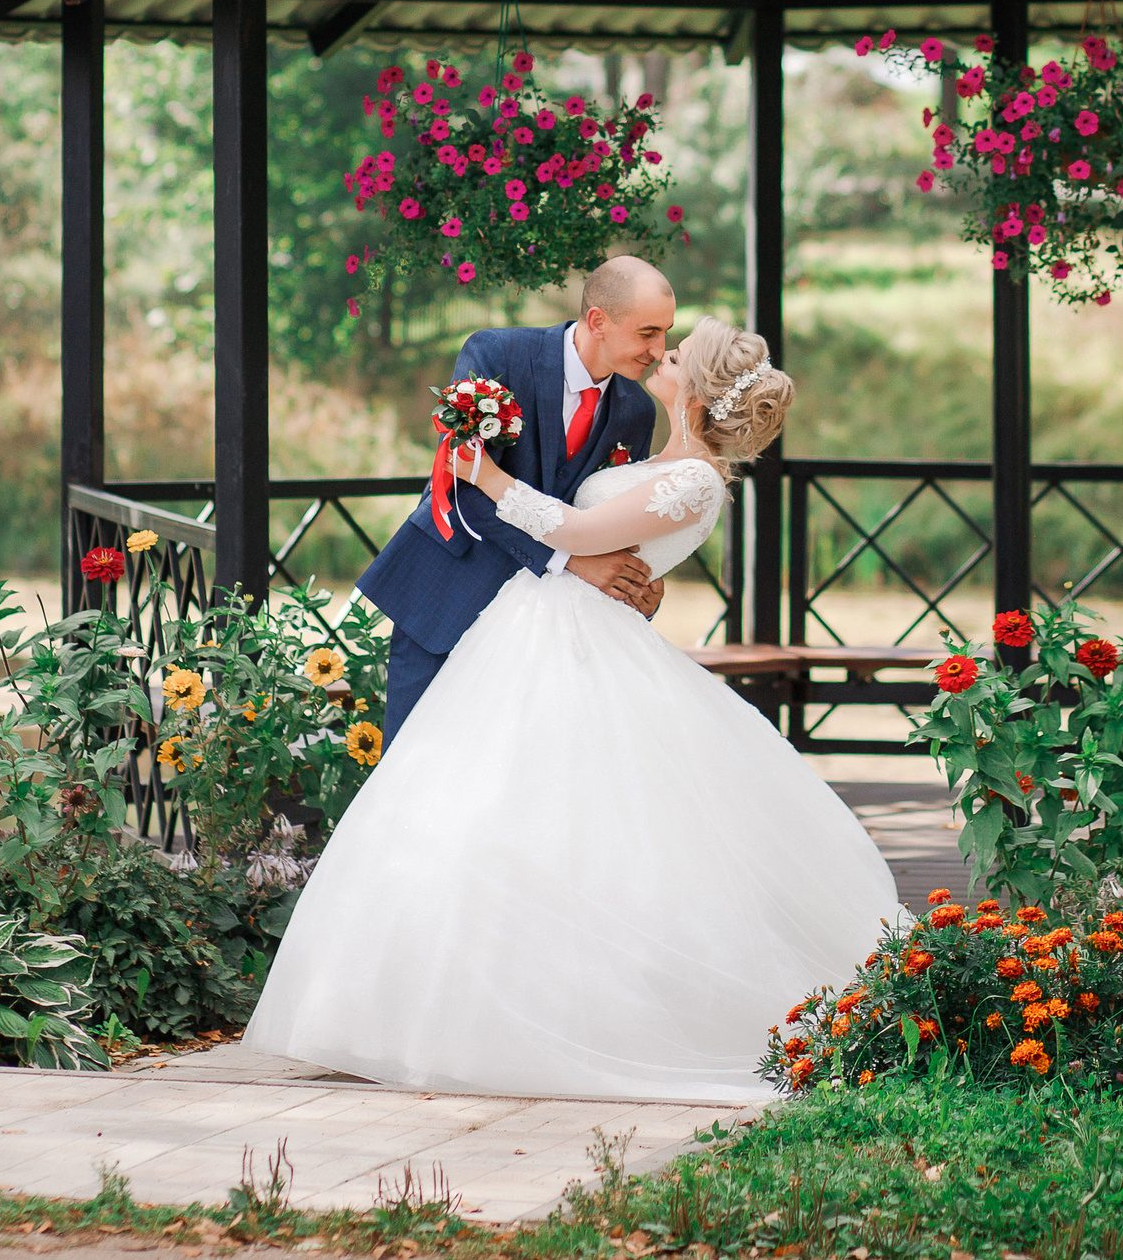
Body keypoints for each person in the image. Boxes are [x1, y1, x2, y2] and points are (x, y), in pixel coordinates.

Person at [246, 315, 902, 1100]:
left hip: (574, 643)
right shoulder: (656, 451)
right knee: (474, 809)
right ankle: (402, 1009)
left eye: (676, 352)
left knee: (553, 821)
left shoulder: (693, 478)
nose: (661, 354)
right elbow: (602, 541)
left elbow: (580, 528)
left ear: (695, 391)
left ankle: (540, 1017)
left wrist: (483, 475)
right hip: (536, 626)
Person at [354, 256, 675, 740]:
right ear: (598, 321)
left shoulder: (636, 410)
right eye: (648, 332)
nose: (659, 348)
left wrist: (639, 589)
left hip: (544, 636)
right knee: (412, 768)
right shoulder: (497, 354)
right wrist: (569, 559)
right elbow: (462, 482)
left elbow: (614, 519)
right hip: (450, 594)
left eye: (666, 333)